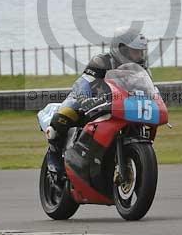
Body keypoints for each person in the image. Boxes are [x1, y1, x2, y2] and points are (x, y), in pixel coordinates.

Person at [44, 26, 148, 175]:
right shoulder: (101, 61)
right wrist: (86, 99)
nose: (139, 56)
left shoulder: (141, 69)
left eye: (141, 52)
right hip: (91, 100)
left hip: (120, 105)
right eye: (135, 51)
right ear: (122, 49)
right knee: (65, 113)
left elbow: (148, 88)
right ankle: (54, 154)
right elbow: (83, 83)